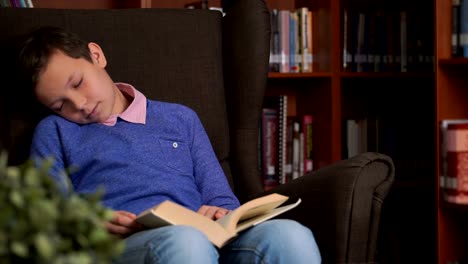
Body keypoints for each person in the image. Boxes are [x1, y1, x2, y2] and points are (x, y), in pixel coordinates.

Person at [18, 26, 321, 264]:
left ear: (96, 56)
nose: (79, 105)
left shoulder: (180, 118)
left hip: (206, 239)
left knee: (290, 235)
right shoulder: (54, 132)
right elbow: (48, 218)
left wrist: (219, 214)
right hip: (126, 248)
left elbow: (222, 199)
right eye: (60, 104)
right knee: (186, 242)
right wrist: (90, 223)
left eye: (77, 83)